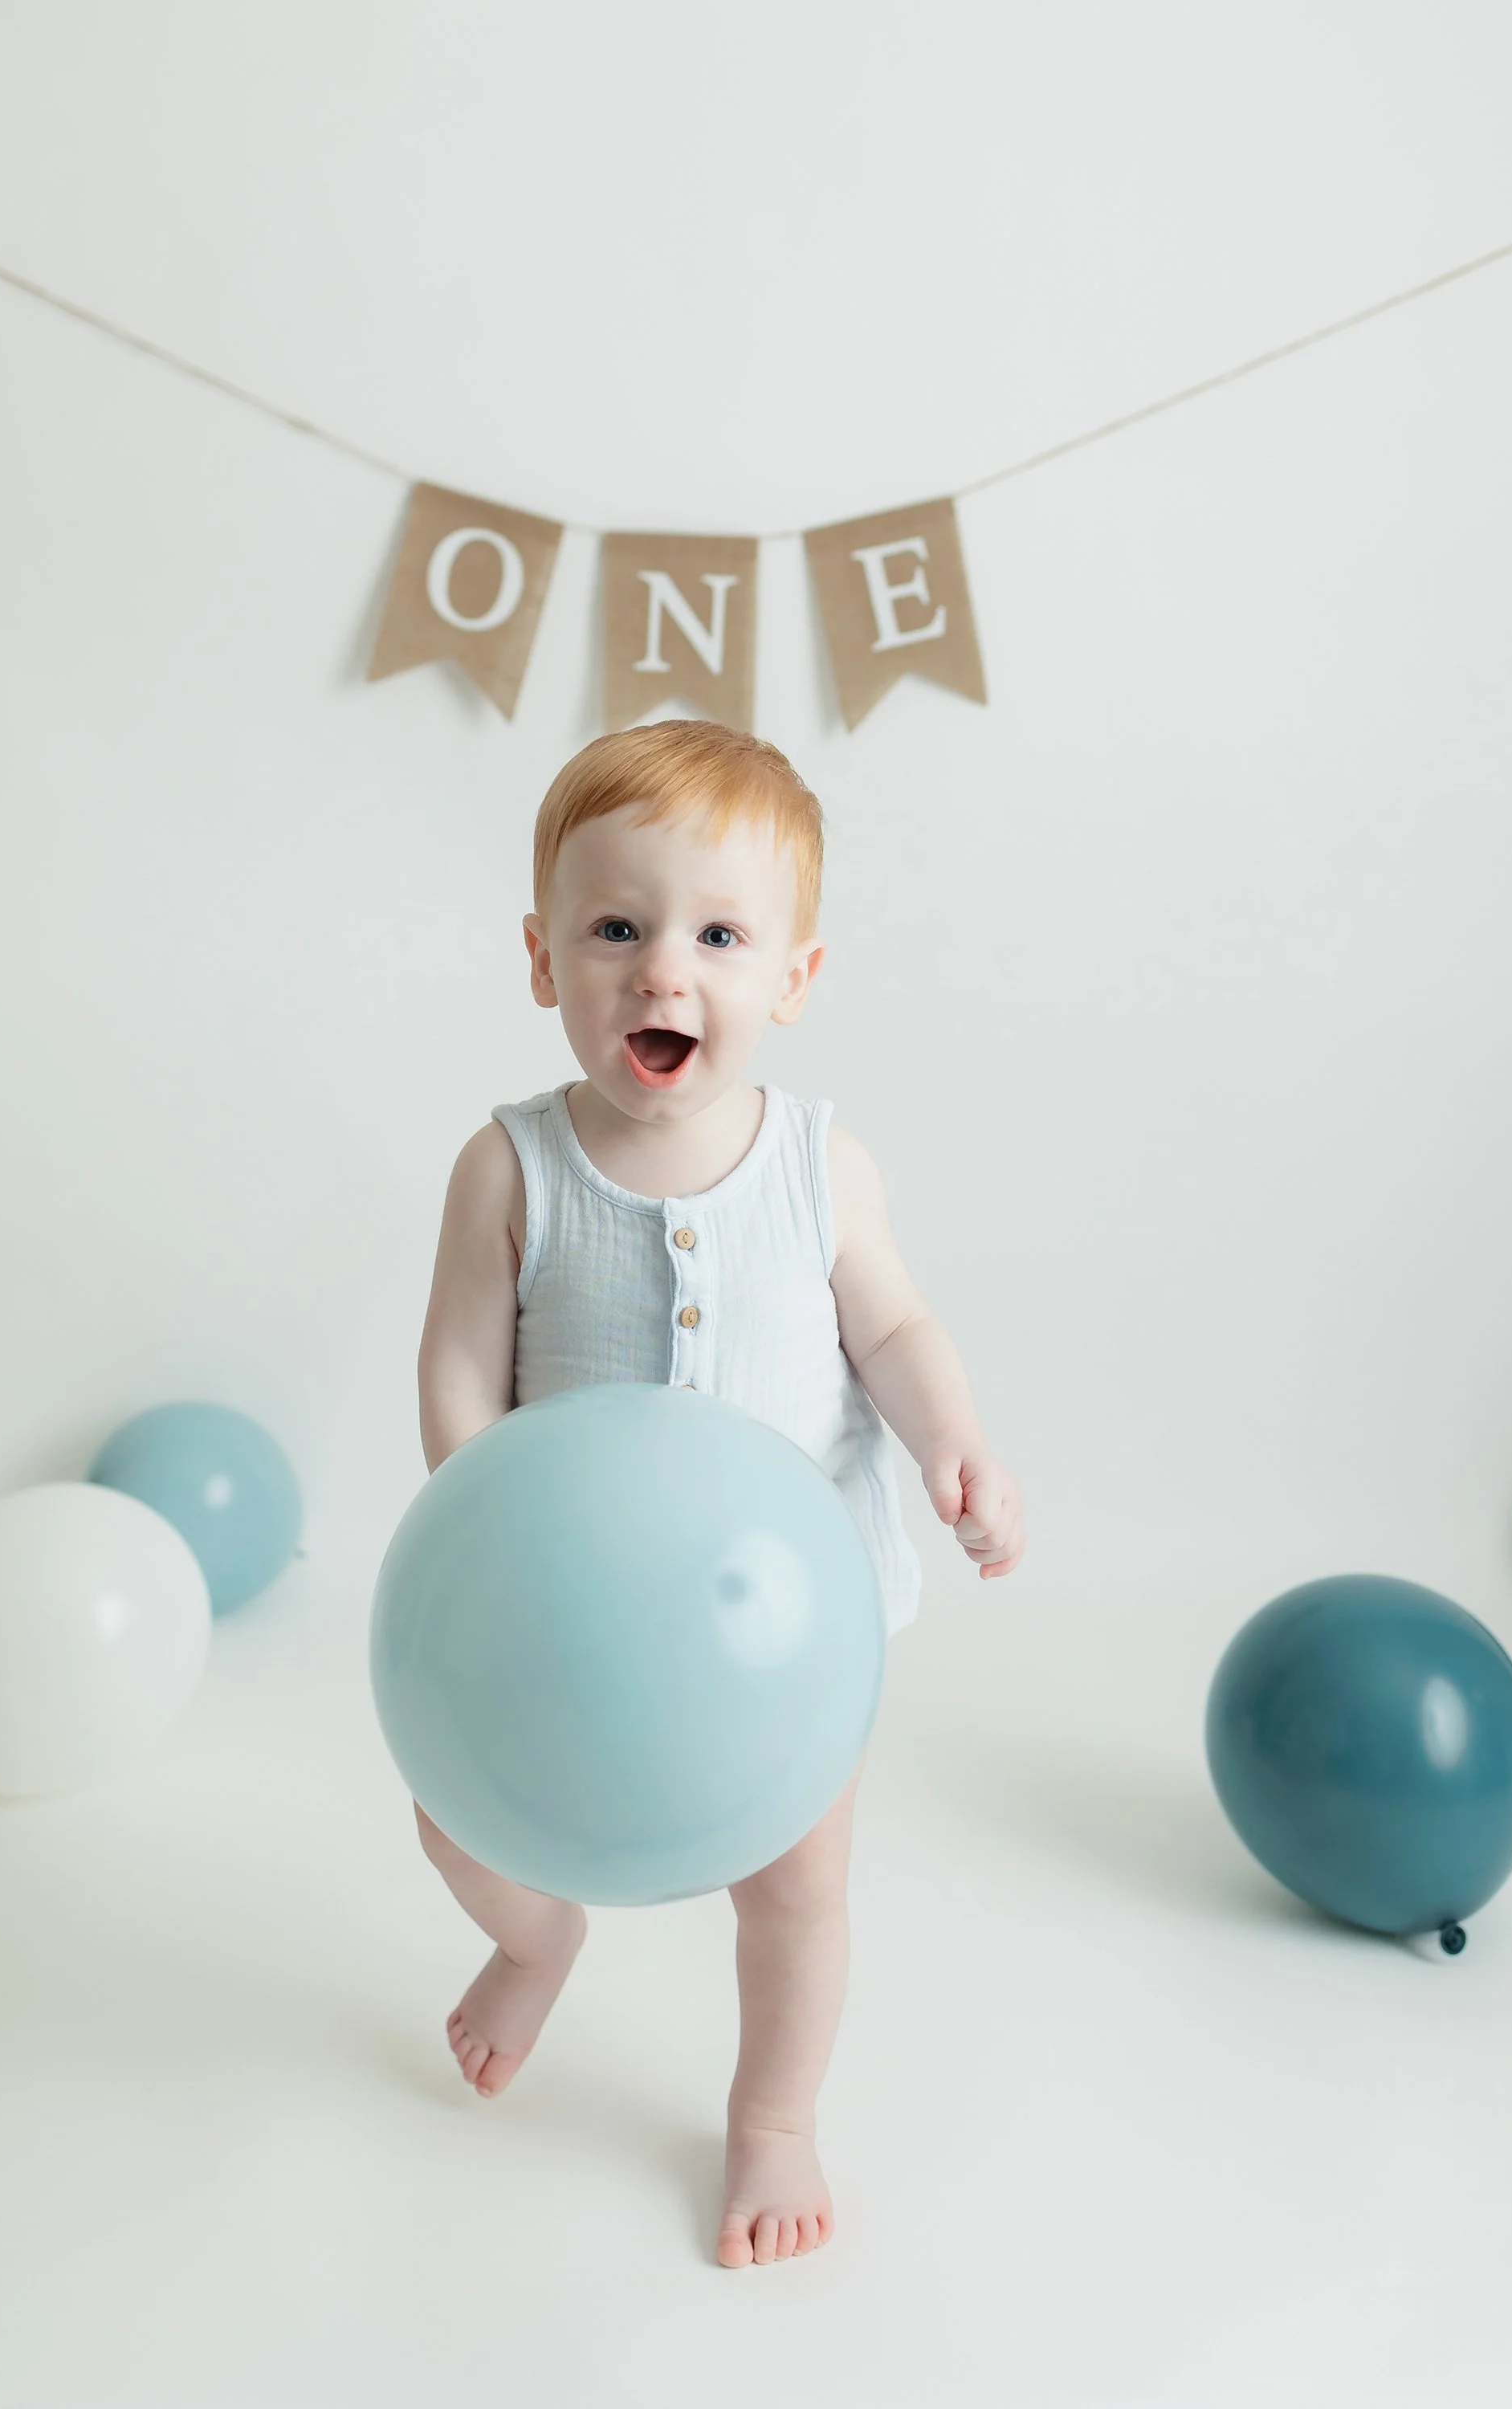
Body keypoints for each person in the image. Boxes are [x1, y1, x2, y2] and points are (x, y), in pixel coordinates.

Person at [414, 719, 1025, 2268]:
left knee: (796, 1889)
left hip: (786, 1635)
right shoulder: (512, 1167)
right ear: (544, 960)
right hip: (570, 1614)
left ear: (791, 981)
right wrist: (483, 1520)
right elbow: (458, 1368)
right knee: (462, 1820)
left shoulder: (822, 1165)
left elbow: (889, 1328)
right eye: (615, 929)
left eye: (718, 936)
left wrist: (953, 1442)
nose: (662, 972)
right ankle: (539, 1940)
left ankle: (772, 2119)